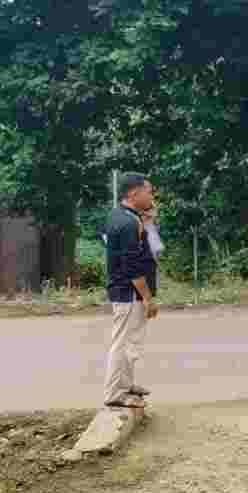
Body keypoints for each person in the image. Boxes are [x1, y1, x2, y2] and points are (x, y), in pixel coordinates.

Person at [103, 172, 159, 410]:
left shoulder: (120, 216)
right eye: (148, 191)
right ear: (133, 193)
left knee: (130, 343)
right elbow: (133, 266)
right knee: (124, 344)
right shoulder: (127, 222)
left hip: (124, 290)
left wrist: (146, 222)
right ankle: (116, 393)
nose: (151, 196)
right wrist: (147, 298)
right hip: (129, 292)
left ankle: (125, 385)